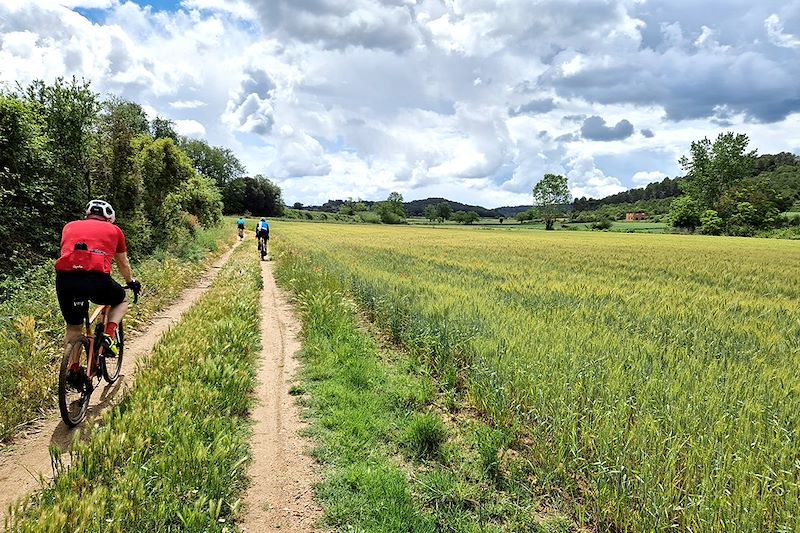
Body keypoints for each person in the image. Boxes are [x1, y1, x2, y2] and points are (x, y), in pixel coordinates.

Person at [54, 200, 140, 384]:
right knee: (121, 300)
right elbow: (123, 263)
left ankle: (73, 368)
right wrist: (130, 282)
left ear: (87, 214)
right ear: (109, 217)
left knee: (73, 327)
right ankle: (108, 335)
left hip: (65, 280)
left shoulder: (69, 227)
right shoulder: (114, 230)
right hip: (96, 280)